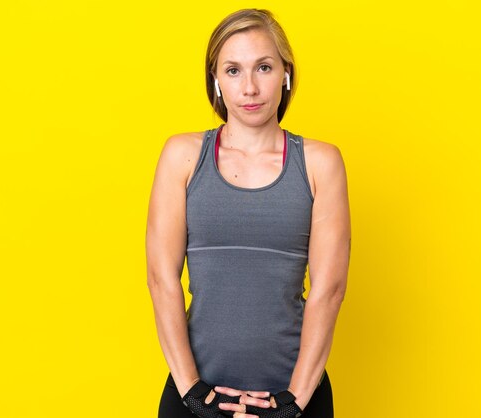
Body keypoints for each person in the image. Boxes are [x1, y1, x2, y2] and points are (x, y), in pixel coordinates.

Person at [146, 8, 350, 418]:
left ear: (286, 74)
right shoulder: (182, 156)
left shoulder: (320, 163)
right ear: (216, 81)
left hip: (295, 395)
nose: (251, 87)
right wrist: (191, 393)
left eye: (264, 67)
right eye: (234, 70)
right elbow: (160, 278)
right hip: (195, 393)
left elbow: (329, 289)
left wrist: (294, 401)